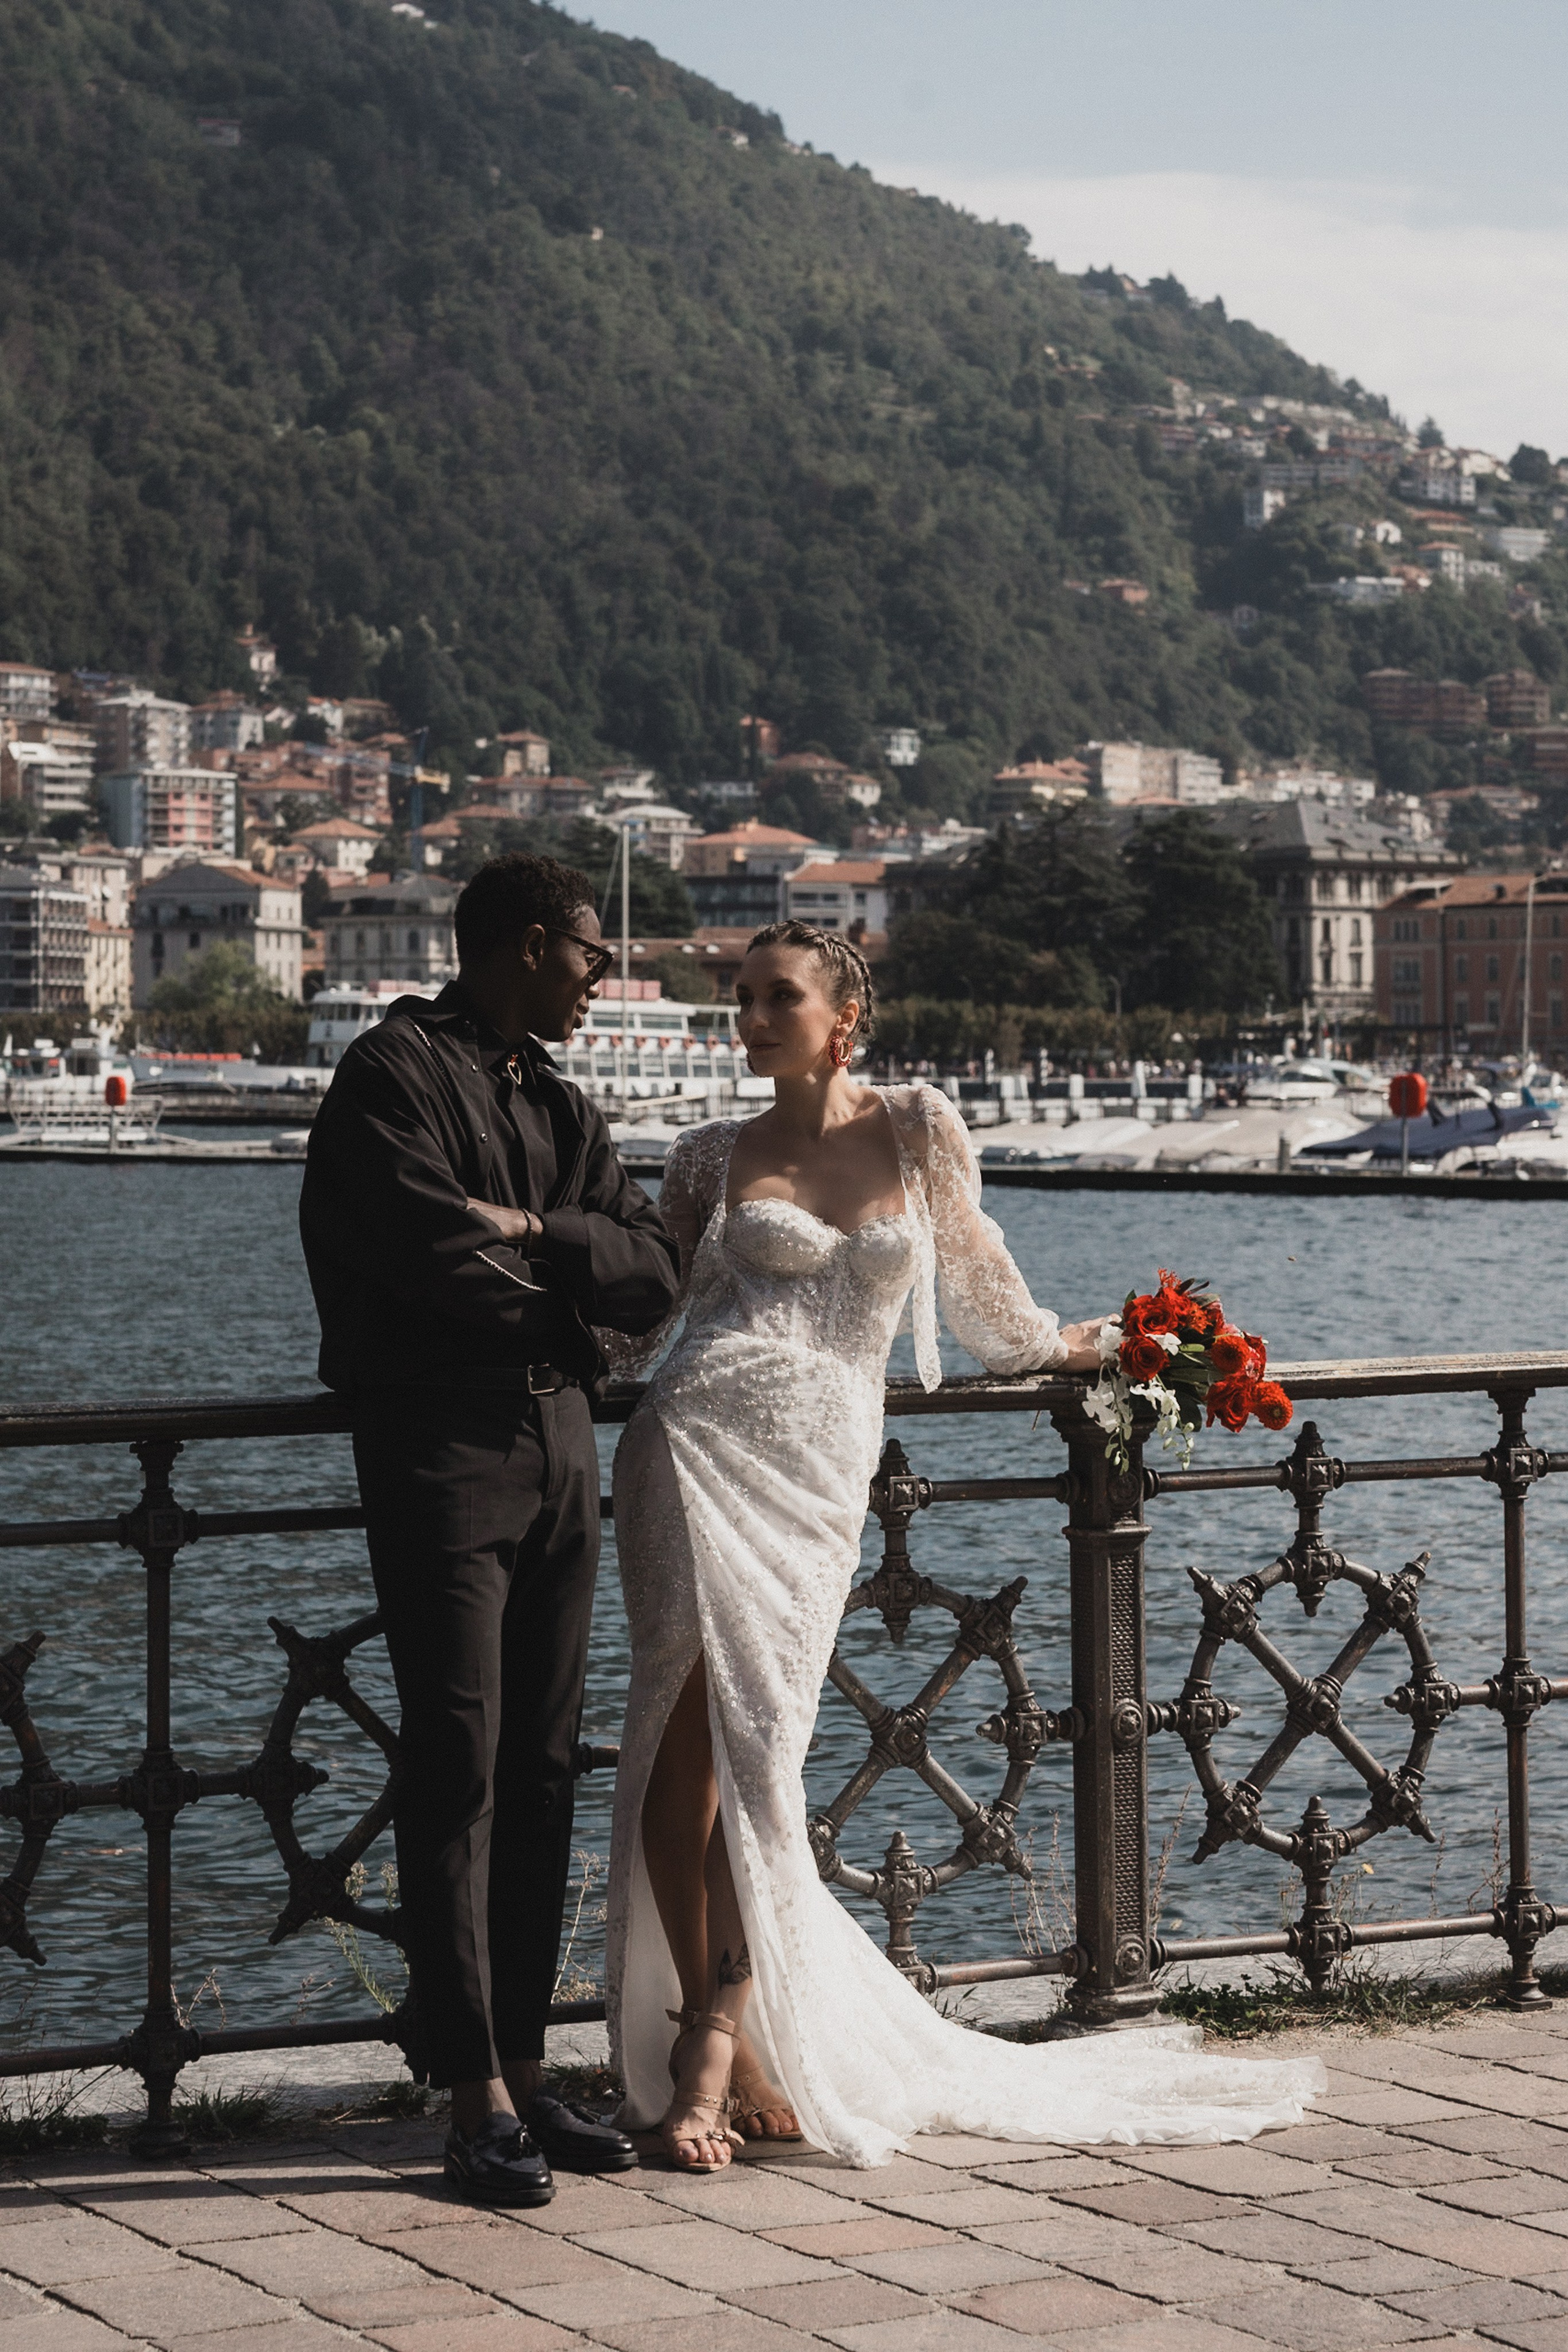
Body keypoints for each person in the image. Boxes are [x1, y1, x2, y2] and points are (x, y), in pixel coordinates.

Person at [601, 919, 1324, 2171]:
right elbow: (634, 1331)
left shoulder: (918, 1129)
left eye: (778, 997)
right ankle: (709, 2033)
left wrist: (1135, 1342)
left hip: (816, 1476)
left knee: (761, 1744)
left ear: (845, 1019)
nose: (750, 1018)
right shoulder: (705, 1157)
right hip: (689, 1447)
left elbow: (994, 1316)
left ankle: (731, 2019)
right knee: (680, 1737)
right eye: (740, 998)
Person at [300, 853, 680, 2207]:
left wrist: (537, 1239)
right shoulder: (390, 1076)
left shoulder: (559, 1101)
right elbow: (422, 1260)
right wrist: (574, 1276)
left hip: (562, 1448)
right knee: (456, 1756)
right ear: (529, 944)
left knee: (539, 1765)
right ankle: (467, 2095)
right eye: (589, 956)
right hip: (444, 1448)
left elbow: (657, 1265)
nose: (598, 980)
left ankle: (517, 2069)